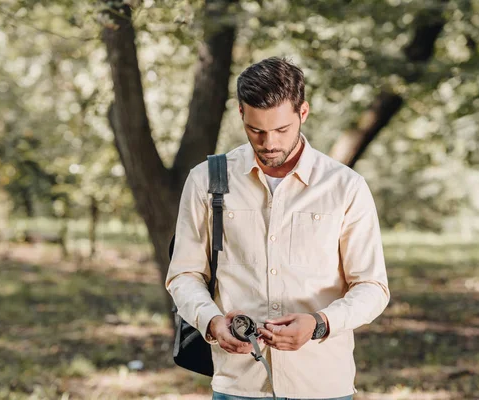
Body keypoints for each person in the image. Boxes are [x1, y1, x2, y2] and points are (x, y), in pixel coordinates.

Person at [165, 57, 390, 400]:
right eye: (257, 130)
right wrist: (212, 321)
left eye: (281, 130)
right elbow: (184, 274)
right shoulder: (205, 181)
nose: (269, 142)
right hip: (238, 386)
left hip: (322, 384)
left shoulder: (346, 187)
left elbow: (372, 287)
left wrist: (319, 324)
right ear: (241, 113)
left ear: (303, 113)